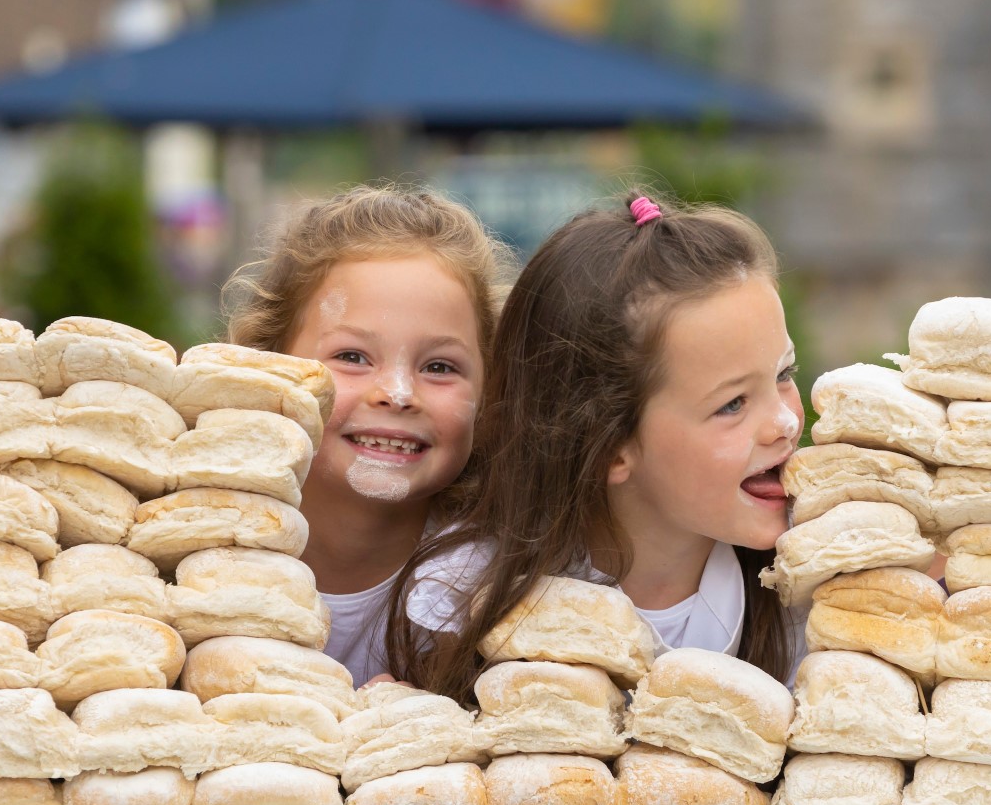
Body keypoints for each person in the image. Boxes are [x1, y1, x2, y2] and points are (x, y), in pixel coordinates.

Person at [384, 192, 805, 704]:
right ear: (609, 446)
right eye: (733, 404)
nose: (783, 422)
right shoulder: (467, 600)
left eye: (784, 375)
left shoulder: (812, 589)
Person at [224, 185, 512, 686]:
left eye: (439, 366)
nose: (397, 393)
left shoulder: (498, 589)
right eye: (352, 357)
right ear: (268, 366)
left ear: (490, 394)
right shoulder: (209, 549)